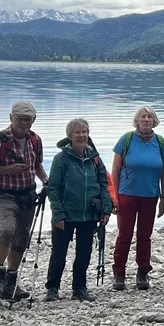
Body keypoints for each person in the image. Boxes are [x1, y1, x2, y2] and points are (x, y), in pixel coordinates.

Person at [0, 101, 48, 302]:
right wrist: (8, 169)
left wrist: (45, 180)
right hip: (4, 195)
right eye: (20, 119)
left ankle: (11, 282)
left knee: (21, 239)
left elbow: (37, 165)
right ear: (11, 118)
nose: (24, 123)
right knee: (7, 230)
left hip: (28, 195)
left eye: (28, 119)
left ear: (34, 120)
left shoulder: (35, 140)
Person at [45, 118, 114, 301]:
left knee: (84, 253)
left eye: (84, 132)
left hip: (89, 213)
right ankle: (52, 288)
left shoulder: (95, 159)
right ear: (70, 135)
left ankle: (79, 288)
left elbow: (104, 185)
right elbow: (53, 188)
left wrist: (106, 210)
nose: (81, 135)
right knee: (59, 252)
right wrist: (58, 214)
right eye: (77, 132)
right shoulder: (61, 159)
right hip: (66, 214)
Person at [110, 106, 164, 291]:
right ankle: (119, 274)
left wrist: (163, 198)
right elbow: (115, 170)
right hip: (126, 194)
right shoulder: (126, 139)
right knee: (124, 235)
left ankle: (143, 272)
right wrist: (114, 198)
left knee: (145, 236)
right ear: (136, 120)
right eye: (142, 116)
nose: (146, 119)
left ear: (154, 121)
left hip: (150, 196)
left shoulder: (160, 142)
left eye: (149, 117)